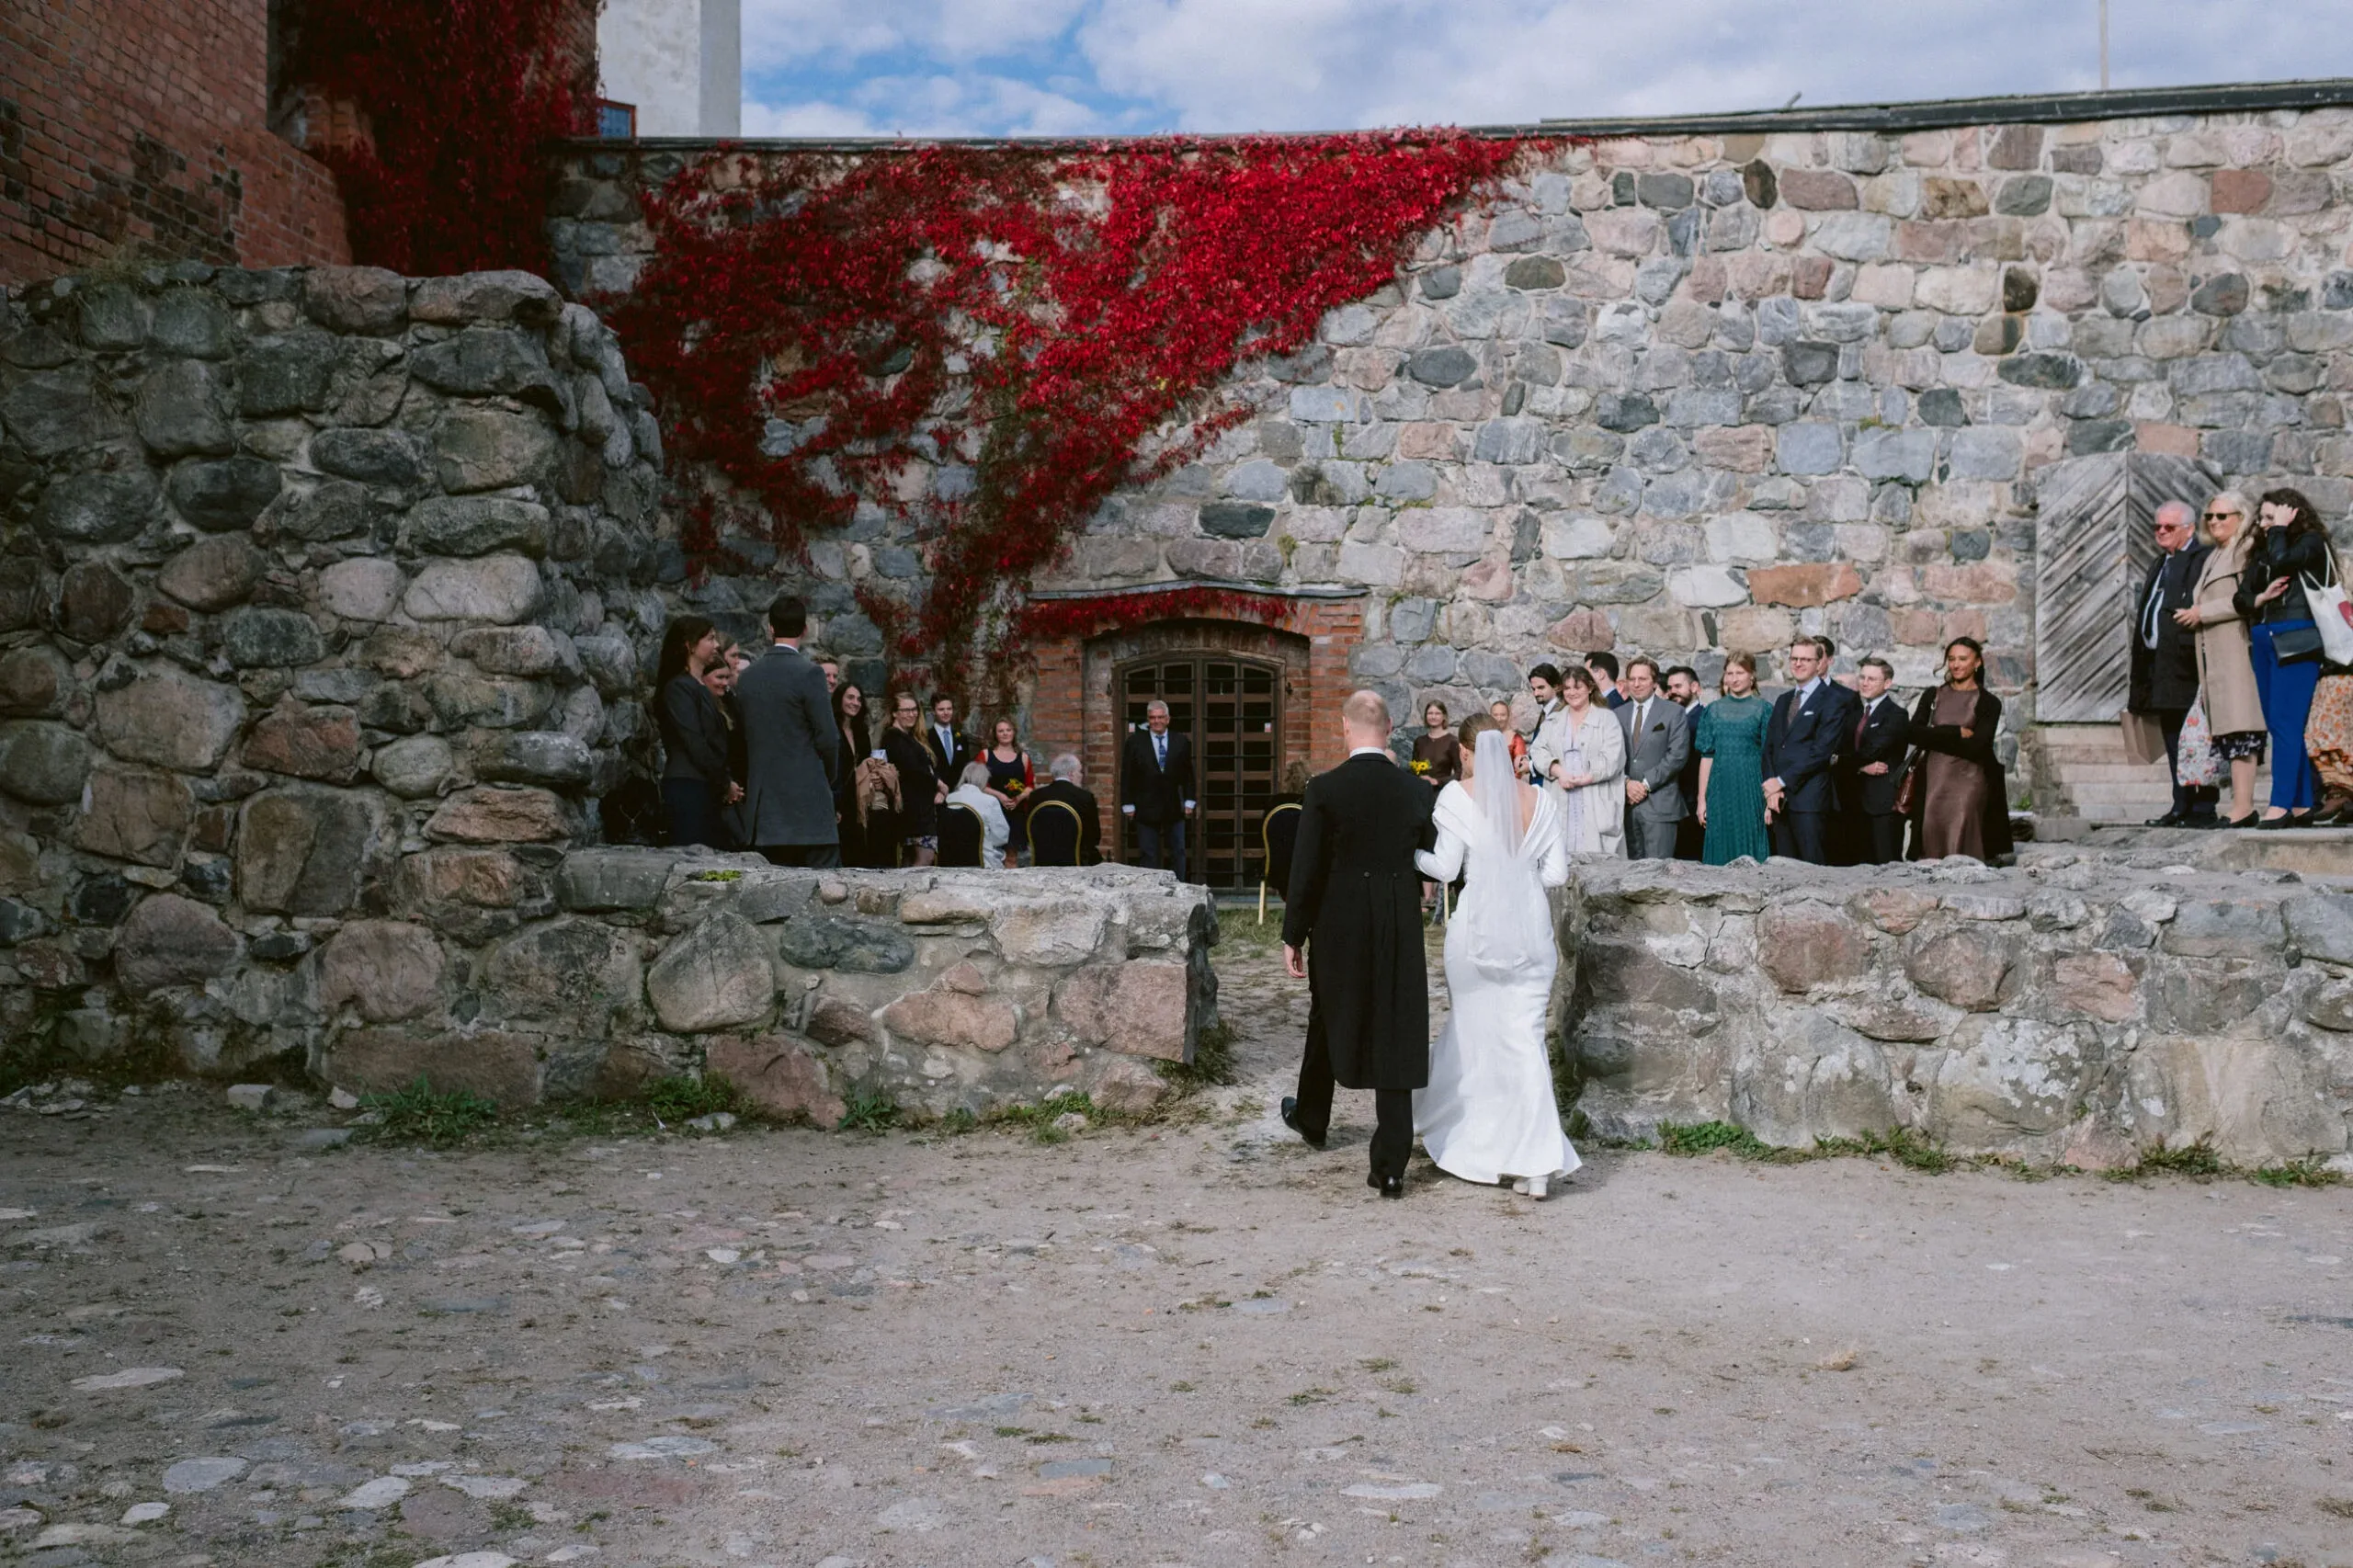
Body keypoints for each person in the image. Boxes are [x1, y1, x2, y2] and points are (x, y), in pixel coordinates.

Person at [1412, 717, 1580, 1200]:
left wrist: (1412, 857)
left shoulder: (1455, 796)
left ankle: (1472, 1136)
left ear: (1466, 753)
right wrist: (1518, 876)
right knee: (1525, 1043)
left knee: (1474, 1033)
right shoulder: (1540, 799)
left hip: (1477, 934)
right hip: (1531, 934)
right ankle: (1535, 1166)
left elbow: (1445, 869)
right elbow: (1556, 875)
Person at [1279, 691, 1436, 1200]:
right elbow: (1431, 854)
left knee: (1327, 1010)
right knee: (1396, 1022)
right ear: (1388, 728)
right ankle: (1390, 1166)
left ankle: (1312, 1117)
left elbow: (1306, 868)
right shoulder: (1416, 790)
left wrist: (1294, 933)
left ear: (1345, 728)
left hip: (1339, 917)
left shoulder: (1324, 789)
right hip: (1397, 916)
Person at [2235, 487, 2337, 827]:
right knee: (2278, 725)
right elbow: (2241, 598)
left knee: (2286, 724)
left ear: (2292, 515)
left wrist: (2280, 529)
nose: (2265, 524)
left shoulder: (2310, 542)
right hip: (2264, 638)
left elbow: (2285, 561)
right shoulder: (2263, 549)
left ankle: (2279, 804)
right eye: (2263, 517)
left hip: (2297, 636)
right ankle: (2301, 804)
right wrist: (2260, 598)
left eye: (2271, 517)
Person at [2172, 492, 2268, 830]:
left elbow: (2249, 599)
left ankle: (2244, 807)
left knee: (2242, 730)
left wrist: (2203, 612)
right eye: (2210, 516)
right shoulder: (2216, 554)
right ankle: (2238, 805)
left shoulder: (2245, 550)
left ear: (2240, 517)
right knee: (2230, 733)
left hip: (2238, 651)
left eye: (2222, 516)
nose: (2214, 522)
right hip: (2216, 656)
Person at [734, 594, 841, 867]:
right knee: (824, 887)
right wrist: (826, 778)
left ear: (770, 628)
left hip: (765, 812)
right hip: (809, 809)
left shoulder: (747, 678)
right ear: (804, 629)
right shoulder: (810, 674)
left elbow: (742, 739)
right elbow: (829, 738)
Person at [2129, 499, 2217, 826]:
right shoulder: (2161, 562)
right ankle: (2181, 805)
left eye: (2169, 527)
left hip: (2186, 662)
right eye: (2157, 526)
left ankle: (2202, 807)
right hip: (2159, 663)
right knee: (2172, 734)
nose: (2161, 532)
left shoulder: (2201, 559)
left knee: (2197, 735)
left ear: (2189, 529)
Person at [1907, 636, 2014, 862]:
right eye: (1952, 659)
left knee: (1962, 825)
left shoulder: (1989, 702)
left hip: (1970, 779)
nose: (1956, 664)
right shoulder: (1933, 695)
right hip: (1934, 777)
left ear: (1977, 662)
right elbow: (1913, 733)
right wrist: (1955, 732)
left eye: (1963, 659)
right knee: (1930, 828)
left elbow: (1977, 746)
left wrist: (1932, 734)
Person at [1761, 635, 1860, 865]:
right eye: (1794, 659)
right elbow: (1770, 748)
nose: (1798, 664)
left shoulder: (1833, 700)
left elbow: (1821, 752)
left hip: (1809, 800)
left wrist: (1781, 781)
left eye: (1805, 659)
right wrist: (1771, 789)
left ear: (1819, 663)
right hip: (1779, 801)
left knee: (1812, 867)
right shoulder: (1784, 700)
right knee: (1783, 868)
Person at [654, 615, 740, 849]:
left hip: (704, 786)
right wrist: (724, 782)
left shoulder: (697, 686)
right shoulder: (679, 688)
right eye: (710, 639)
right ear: (690, 645)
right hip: (689, 787)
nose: (716, 645)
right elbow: (694, 741)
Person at [1532, 665, 1625, 855]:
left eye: (1577, 687)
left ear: (1590, 688)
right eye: (1567, 688)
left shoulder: (1607, 719)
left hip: (1595, 798)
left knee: (1599, 860)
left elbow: (1614, 757)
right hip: (1560, 796)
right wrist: (1558, 770)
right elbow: (1537, 750)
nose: (1572, 692)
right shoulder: (1553, 721)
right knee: (1560, 855)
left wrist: (1587, 777)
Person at [1695, 653, 1771, 865]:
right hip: (1719, 790)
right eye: (1729, 673)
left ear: (1752, 676)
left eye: (1740, 673)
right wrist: (1702, 800)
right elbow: (1707, 757)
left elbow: (1769, 757)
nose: (1734, 678)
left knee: (1751, 844)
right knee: (1720, 844)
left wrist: (1769, 800)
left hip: (1751, 789)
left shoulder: (1764, 709)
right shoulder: (1713, 710)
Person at [1614, 656, 1689, 859]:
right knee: (1629, 872)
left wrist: (1645, 785)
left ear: (1655, 682)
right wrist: (1626, 783)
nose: (1636, 684)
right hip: (1626, 806)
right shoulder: (1617, 714)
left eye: (1643, 679)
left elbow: (1677, 755)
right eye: (1632, 679)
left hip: (1660, 805)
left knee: (1658, 872)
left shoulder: (1674, 712)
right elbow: (1611, 755)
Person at [1840, 656, 1912, 864]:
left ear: (1887, 683)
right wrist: (1860, 768)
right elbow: (1839, 750)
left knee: (1886, 864)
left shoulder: (1896, 715)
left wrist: (1840, 761)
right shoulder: (1853, 714)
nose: (1865, 683)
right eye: (1862, 677)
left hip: (1882, 805)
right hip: (1853, 802)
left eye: (1872, 679)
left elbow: (1872, 750)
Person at [1120, 699, 1196, 879]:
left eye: (1160, 717)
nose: (1156, 721)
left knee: (1178, 851)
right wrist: (1127, 804)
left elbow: (1188, 774)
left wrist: (1190, 800)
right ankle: (1151, 889)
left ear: (1168, 719)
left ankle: (1179, 887)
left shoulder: (1181, 741)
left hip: (1173, 804)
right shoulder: (1135, 742)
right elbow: (1127, 774)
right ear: (1148, 720)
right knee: (1148, 853)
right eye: (1152, 718)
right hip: (1145, 805)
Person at [834, 683, 893, 869]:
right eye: (850, 697)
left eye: (859, 699)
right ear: (840, 699)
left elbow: (866, 763)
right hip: (838, 796)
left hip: (858, 798)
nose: (856, 703)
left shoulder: (861, 732)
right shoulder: (831, 729)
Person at [882, 692, 941, 866]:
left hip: (919, 809)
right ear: (895, 713)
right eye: (906, 710)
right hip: (914, 812)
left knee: (911, 861)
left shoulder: (908, 737)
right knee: (924, 859)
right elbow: (913, 770)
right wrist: (939, 784)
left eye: (914, 709)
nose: (911, 714)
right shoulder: (893, 738)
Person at [701, 652, 748, 849]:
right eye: (719, 677)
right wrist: (726, 783)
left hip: (733, 783)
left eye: (727, 678)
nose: (724, 683)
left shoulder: (727, 703)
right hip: (717, 785)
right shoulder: (704, 707)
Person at [1025, 754, 1103, 865]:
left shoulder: (1036, 796)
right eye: (1079, 772)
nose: (1081, 775)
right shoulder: (1085, 797)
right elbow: (1094, 837)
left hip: (1043, 861)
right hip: (1076, 861)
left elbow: (1029, 833)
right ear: (1071, 774)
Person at [1664, 666, 1706, 860]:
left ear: (1694, 687)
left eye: (1678, 686)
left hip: (1693, 798)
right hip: (1674, 798)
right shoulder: (1671, 718)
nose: (1673, 691)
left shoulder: (1703, 718)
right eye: (1670, 687)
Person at [981, 719, 1035, 869]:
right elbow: (979, 784)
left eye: (1008, 730)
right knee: (992, 857)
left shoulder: (1023, 757)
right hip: (992, 812)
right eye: (1001, 731)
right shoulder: (985, 755)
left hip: (1016, 813)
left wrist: (1019, 798)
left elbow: (1030, 786)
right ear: (995, 734)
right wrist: (999, 796)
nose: (1005, 733)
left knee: (1012, 858)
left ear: (1014, 732)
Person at [947, 760, 1011, 866]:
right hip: (983, 860)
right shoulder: (990, 801)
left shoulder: (949, 799)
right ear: (984, 780)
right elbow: (1001, 837)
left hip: (950, 858)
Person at [1526, 663, 1566, 786]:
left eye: (1541, 688)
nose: (1536, 693)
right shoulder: (1545, 711)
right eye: (1533, 689)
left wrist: (1530, 766)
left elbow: (1558, 754)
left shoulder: (1561, 713)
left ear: (1556, 687)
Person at [924, 694, 974, 787]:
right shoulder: (926, 738)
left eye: (949, 709)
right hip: (935, 790)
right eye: (941, 709)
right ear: (933, 711)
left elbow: (966, 766)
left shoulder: (961, 738)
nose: (946, 713)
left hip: (959, 790)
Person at [1411, 701, 1461, 790]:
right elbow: (1413, 769)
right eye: (1430, 713)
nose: (1433, 717)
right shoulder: (1419, 741)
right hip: (1421, 790)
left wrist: (1437, 781)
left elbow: (1460, 773)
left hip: (1442, 791)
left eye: (1437, 713)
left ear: (1444, 716)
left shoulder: (1452, 741)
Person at [1489, 698, 1529, 775]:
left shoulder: (1516, 739)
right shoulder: (1484, 736)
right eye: (1495, 715)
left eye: (1503, 715)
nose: (1499, 719)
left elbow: (1520, 769)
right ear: (1490, 716)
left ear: (1508, 716)